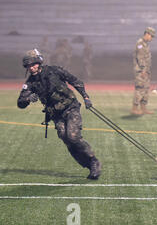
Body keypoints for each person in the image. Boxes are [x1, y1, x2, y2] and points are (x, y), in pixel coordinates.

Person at [17, 49, 101, 179]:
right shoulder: (30, 83)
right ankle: (89, 166)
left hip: (71, 108)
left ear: (39, 62)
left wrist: (86, 97)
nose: (31, 68)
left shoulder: (53, 71)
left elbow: (75, 81)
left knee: (72, 136)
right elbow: (20, 103)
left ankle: (93, 161)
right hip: (56, 115)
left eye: (33, 64)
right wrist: (28, 99)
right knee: (66, 138)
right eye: (28, 66)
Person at [131, 27, 155, 115]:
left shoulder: (145, 44)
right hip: (141, 71)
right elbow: (140, 58)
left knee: (145, 89)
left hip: (146, 71)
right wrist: (143, 70)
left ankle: (143, 108)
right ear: (147, 34)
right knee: (140, 89)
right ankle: (134, 108)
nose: (151, 38)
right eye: (151, 36)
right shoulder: (140, 44)